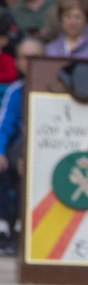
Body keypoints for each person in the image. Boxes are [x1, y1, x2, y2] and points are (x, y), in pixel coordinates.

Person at [0, 37, 44, 255]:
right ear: (17, 63)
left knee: (29, 162)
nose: (30, 62)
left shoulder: (54, 90)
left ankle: (22, 227)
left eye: (35, 57)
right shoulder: (16, 91)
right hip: (18, 147)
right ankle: (4, 227)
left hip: (45, 150)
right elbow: (5, 126)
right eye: (26, 58)